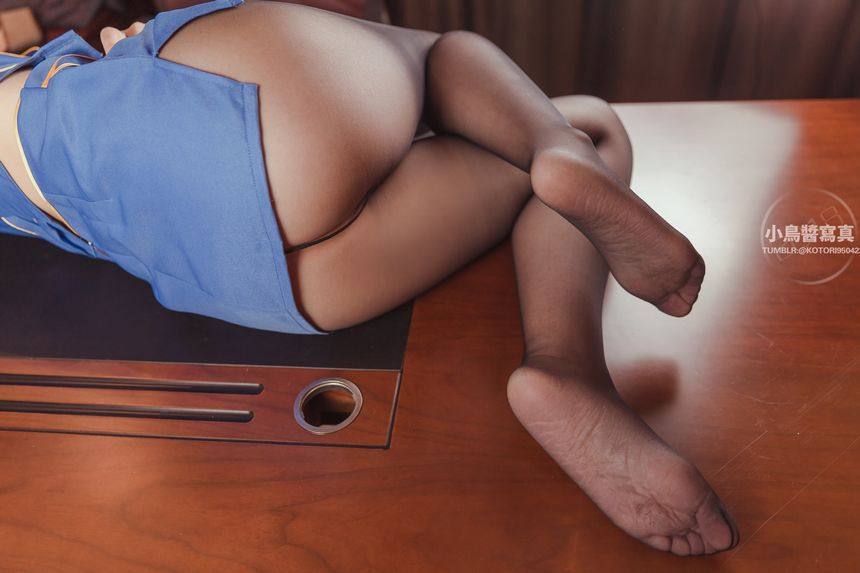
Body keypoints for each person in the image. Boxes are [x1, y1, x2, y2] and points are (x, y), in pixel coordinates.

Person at [0, 0, 738, 555]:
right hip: (203, 100)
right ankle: (557, 174)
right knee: (466, 70)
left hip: (237, 268)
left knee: (574, 122)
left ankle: (569, 368)